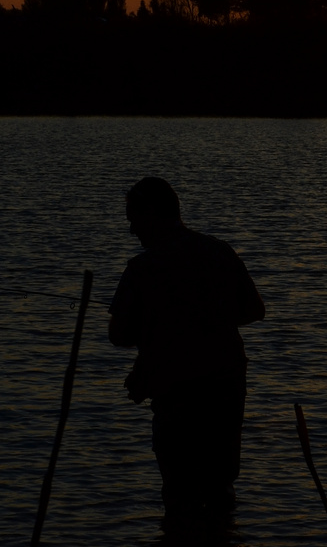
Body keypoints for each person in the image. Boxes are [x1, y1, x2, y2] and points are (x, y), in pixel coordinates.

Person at [109, 177, 265, 513]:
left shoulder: (142, 268)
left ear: (151, 214)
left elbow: (118, 335)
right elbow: (254, 310)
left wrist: (163, 327)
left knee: (179, 489)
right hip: (226, 386)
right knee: (220, 485)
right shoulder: (219, 251)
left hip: (177, 394)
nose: (132, 231)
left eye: (133, 221)